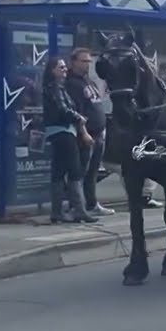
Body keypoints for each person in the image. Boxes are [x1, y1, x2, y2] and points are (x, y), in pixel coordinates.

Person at [41, 57, 97, 224]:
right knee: (74, 172)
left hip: (58, 133)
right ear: (53, 70)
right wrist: (79, 118)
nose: (65, 70)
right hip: (64, 132)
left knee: (58, 172)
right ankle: (79, 211)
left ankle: (57, 212)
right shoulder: (55, 88)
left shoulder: (55, 87)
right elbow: (63, 109)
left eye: (65, 67)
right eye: (61, 67)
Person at [64, 48, 113, 216]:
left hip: (99, 133)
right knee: (80, 172)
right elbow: (76, 111)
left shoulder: (88, 81)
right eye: (84, 61)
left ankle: (92, 204)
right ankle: (75, 206)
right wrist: (83, 132)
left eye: (89, 61)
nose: (87, 64)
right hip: (85, 134)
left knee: (92, 172)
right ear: (74, 62)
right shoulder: (71, 83)